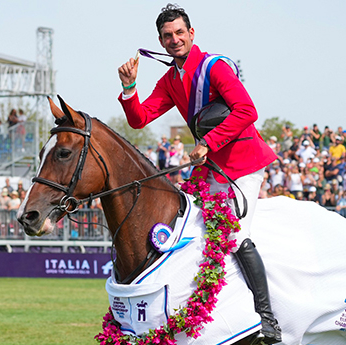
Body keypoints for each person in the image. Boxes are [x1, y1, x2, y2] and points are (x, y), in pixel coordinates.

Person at [117, 4, 280, 342]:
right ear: (160, 42)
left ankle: (268, 320)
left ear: (192, 34)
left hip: (243, 165)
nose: (174, 39)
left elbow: (247, 110)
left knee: (233, 237)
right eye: (167, 36)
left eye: (179, 33)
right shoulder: (170, 79)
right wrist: (130, 87)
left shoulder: (215, 67)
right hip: (212, 167)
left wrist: (208, 141)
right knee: (186, 224)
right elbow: (139, 119)